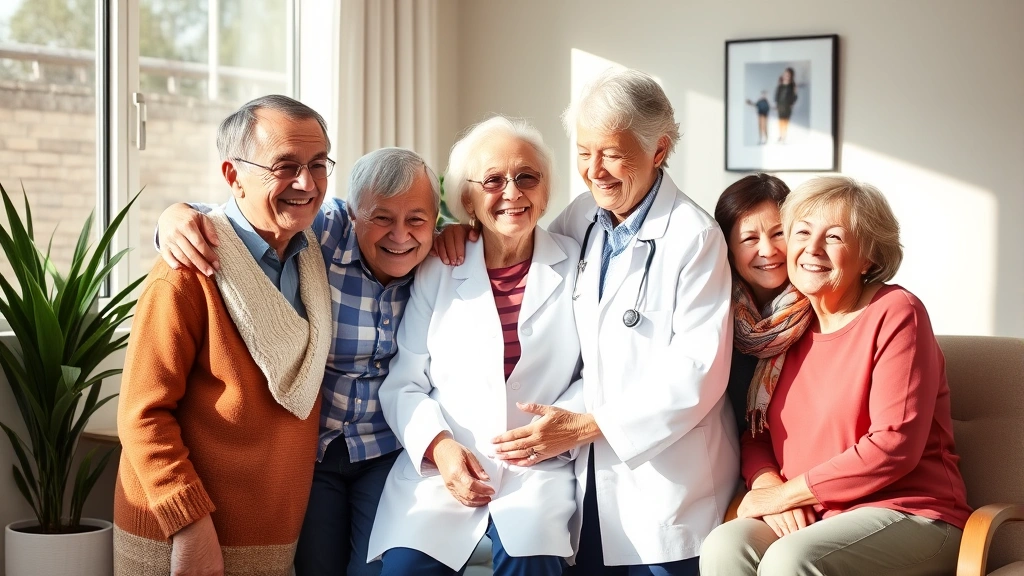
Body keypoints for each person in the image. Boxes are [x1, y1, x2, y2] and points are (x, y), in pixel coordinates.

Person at [436, 68, 738, 575]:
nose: (594, 170)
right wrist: (458, 233)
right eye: (583, 152)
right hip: (586, 477)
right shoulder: (581, 217)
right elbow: (519, 255)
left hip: (664, 480)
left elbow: (698, 373)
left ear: (659, 151)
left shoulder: (694, 237)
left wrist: (589, 425)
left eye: (612, 154)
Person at [154, 146, 441, 576]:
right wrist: (172, 217)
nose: (400, 235)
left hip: (386, 450)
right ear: (353, 213)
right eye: (382, 218)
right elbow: (228, 223)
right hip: (314, 451)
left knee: (376, 569)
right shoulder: (322, 230)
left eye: (416, 220)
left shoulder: (442, 256)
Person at [700, 176, 972, 576]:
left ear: (869, 257)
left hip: (910, 513)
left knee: (791, 560)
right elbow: (756, 433)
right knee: (725, 545)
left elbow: (893, 444)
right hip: (817, 514)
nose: (812, 249)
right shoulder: (790, 325)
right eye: (802, 233)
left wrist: (786, 496)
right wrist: (765, 486)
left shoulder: (897, 312)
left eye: (834, 238)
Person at [114, 95, 334, 575]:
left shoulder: (314, 251)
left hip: (273, 536)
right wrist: (190, 526)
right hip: (179, 536)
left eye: (319, 164)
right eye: (286, 166)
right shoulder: (186, 272)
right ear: (233, 175)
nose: (307, 183)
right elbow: (140, 416)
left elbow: (399, 221)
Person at [367, 115, 583, 575]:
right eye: (492, 180)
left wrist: (563, 423)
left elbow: (596, 371)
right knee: (406, 568)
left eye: (527, 177)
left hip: (536, 468)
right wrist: (440, 448)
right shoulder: (436, 269)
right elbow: (403, 383)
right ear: (466, 197)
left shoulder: (577, 266)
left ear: (545, 192)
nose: (512, 192)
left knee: (533, 561)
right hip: (441, 472)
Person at [713, 174, 812, 437]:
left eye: (778, 233)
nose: (767, 250)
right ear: (728, 250)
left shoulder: (822, 308)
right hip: (732, 462)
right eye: (750, 239)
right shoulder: (713, 313)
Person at [775, 67, 797, 143]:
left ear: (790, 76)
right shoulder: (780, 85)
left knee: (785, 121)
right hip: (780, 106)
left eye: (788, 75)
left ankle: (784, 136)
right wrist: (777, 104)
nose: (786, 76)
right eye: (785, 74)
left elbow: (794, 97)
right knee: (781, 121)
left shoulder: (792, 86)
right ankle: (781, 136)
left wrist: (792, 103)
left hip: (787, 106)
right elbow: (777, 95)